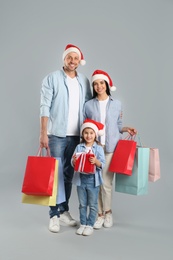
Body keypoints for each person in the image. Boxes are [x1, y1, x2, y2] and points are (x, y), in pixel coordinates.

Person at [39, 44, 92, 233]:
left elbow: (89, 106)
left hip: (77, 136)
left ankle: (63, 210)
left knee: (69, 175)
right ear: (64, 59)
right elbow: (44, 106)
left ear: (79, 61)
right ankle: (53, 215)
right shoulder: (52, 78)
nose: (72, 61)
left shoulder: (84, 81)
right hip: (56, 135)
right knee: (55, 175)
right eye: (69, 57)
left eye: (75, 58)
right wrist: (43, 132)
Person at [83, 69, 137, 229]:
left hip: (111, 148)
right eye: (95, 83)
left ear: (106, 84)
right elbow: (85, 126)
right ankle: (98, 214)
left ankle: (108, 212)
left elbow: (118, 125)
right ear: (93, 86)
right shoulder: (88, 105)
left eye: (101, 83)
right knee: (95, 183)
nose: (99, 86)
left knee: (106, 183)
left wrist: (126, 129)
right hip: (94, 149)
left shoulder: (117, 104)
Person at [71, 119, 105, 236]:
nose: (88, 135)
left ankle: (90, 224)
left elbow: (103, 164)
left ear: (95, 134)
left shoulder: (98, 148)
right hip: (81, 179)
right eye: (86, 133)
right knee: (82, 204)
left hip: (93, 180)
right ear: (82, 134)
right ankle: (83, 224)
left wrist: (96, 161)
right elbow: (73, 161)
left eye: (91, 133)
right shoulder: (79, 147)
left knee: (93, 204)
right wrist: (74, 161)